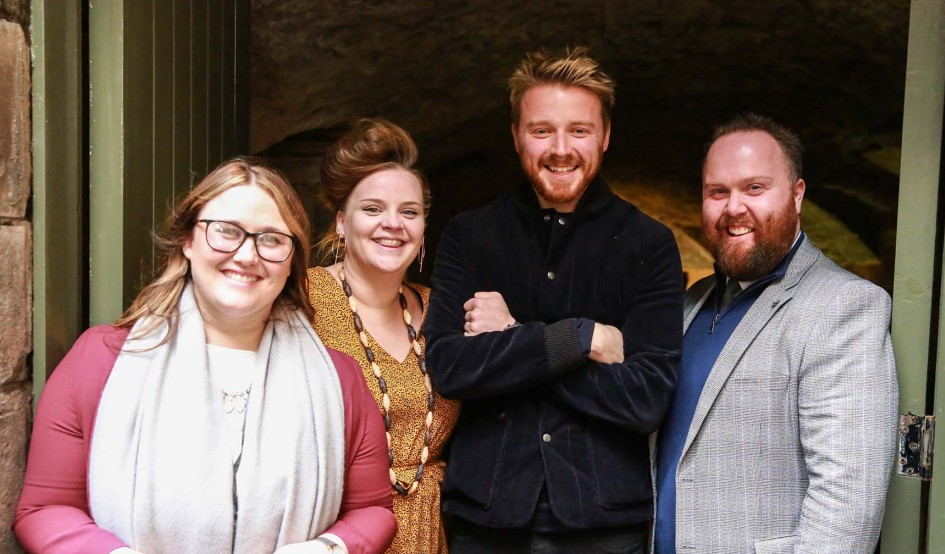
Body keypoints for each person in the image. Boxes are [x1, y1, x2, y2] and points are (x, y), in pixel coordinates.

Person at [14, 157, 397, 554]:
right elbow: (46, 509)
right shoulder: (100, 360)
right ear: (188, 241)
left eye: (271, 239)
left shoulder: (340, 378)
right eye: (226, 231)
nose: (248, 255)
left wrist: (325, 550)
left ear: (291, 264)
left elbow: (372, 510)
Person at [424, 48, 683, 553]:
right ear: (516, 136)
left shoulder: (649, 245)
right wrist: (581, 338)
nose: (560, 149)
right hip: (487, 521)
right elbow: (451, 367)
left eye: (579, 131)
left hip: (604, 528)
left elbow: (645, 398)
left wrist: (516, 336)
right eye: (542, 130)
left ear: (605, 137)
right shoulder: (469, 235)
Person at [654, 113, 898, 553]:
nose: (733, 208)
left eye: (754, 188)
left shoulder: (844, 307)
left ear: (797, 195)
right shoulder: (695, 300)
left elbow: (848, 505)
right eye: (717, 192)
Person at [308, 118, 461, 554]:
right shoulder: (302, 300)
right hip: (334, 533)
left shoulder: (440, 309)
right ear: (341, 222)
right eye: (372, 209)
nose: (392, 223)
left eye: (408, 212)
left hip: (434, 532)